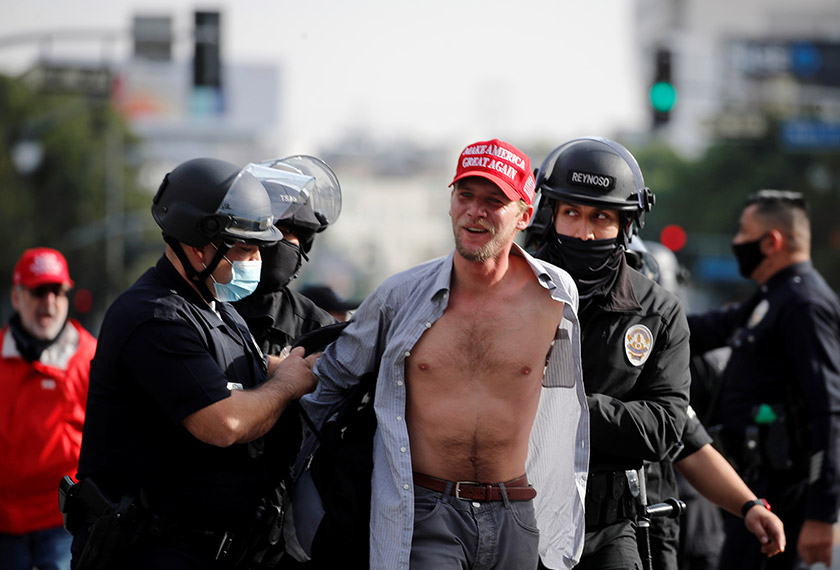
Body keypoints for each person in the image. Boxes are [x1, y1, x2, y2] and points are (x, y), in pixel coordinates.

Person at [300, 139, 589, 569]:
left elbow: (564, 404)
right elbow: (331, 385)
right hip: (426, 509)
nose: (476, 211)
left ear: (525, 215)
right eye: (465, 195)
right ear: (451, 202)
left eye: (495, 201)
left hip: (516, 509)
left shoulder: (555, 297)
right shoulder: (399, 297)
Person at [69, 158, 317, 569]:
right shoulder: (155, 316)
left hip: (204, 549)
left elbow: (244, 366)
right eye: (244, 247)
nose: (255, 259)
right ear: (199, 246)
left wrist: (297, 364)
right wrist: (288, 384)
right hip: (149, 551)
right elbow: (224, 423)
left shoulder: (215, 305)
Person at [528, 136, 690, 570]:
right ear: (551, 214)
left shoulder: (658, 311)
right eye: (572, 214)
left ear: (626, 225)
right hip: (519, 519)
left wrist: (568, 406)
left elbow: (666, 427)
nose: (584, 232)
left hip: (610, 526)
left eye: (601, 217)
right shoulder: (509, 291)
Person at [688, 189, 840, 570]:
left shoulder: (805, 305)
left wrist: (823, 514)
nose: (737, 241)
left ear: (771, 241)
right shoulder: (773, 297)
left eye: (743, 232)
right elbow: (702, 330)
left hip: (784, 494)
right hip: (757, 485)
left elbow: (831, 411)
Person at [627, 240, 785, 570]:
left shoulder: (674, 352)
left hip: (683, 505)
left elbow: (690, 438)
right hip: (669, 511)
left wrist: (748, 504)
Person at [0, 248, 96, 570]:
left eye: (57, 291)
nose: (49, 303)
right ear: (16, 298)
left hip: (64, 526)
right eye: (39, 291)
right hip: (5, 527)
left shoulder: (92, 358)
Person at [233, 155, 345, 356]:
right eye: (267, 230)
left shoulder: (318, 328)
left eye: (285, 232)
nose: (274, 241)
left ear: (303, 245)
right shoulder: (202, 310)